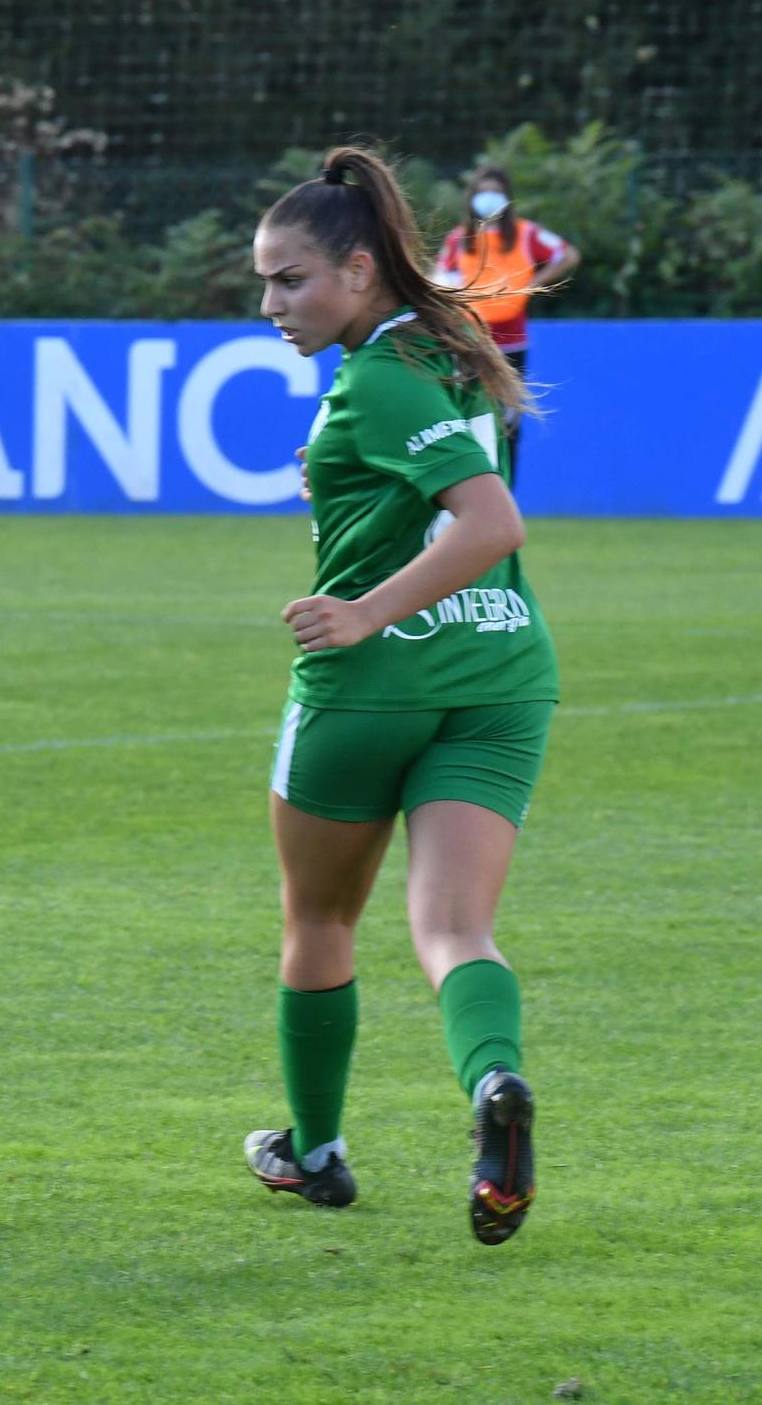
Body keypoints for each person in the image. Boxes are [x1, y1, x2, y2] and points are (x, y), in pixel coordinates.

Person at [245, 147, 559, 1246]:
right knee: (455, 928)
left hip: (372, 688)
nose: (270, 303)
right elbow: (439, 489)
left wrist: (365, 612)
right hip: (501, 676)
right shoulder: (454, 347)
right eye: (264, 283)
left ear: (360, 269)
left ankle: (314, 1152)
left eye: (289, 278)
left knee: (320, 916)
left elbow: (488, 522)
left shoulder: (376, 375)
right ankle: (491, 1087)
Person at [432, 164, 579, 487]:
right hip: (470, 341)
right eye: (483, 191)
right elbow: (439, 280)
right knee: (466, 416)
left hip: (511, 342)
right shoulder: (460, 239)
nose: (489, 199)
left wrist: (533, 285)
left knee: (508, 422)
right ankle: (468, 489)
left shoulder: (526, 234)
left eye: (496, 193)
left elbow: (567, 255)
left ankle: (503, 493)